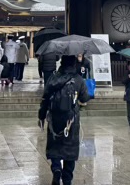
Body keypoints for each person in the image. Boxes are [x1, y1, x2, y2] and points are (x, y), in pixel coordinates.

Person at [38, 55, 91, 185]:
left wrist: (41, 115)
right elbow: (85, 98)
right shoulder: (78, 79)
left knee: (55, 146)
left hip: (55, 118)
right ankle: (67, 179)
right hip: (71, 120)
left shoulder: (54, 77)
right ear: (73, 64)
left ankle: (56, 169)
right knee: (70, 149)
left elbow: (45, 97)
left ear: (61, 62)